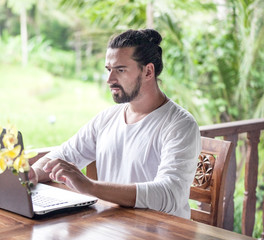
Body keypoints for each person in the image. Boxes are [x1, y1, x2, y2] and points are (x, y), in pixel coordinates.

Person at [29, 29, 201, 219]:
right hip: (113, 226)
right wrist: (34, 174)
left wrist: (90, 186)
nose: (110, 80)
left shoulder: (180, 125)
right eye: (109, 70)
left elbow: (169, 194)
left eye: (120, 70)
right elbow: (65, 154)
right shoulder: (107, 118)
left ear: (148, 71)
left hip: (161, 232)